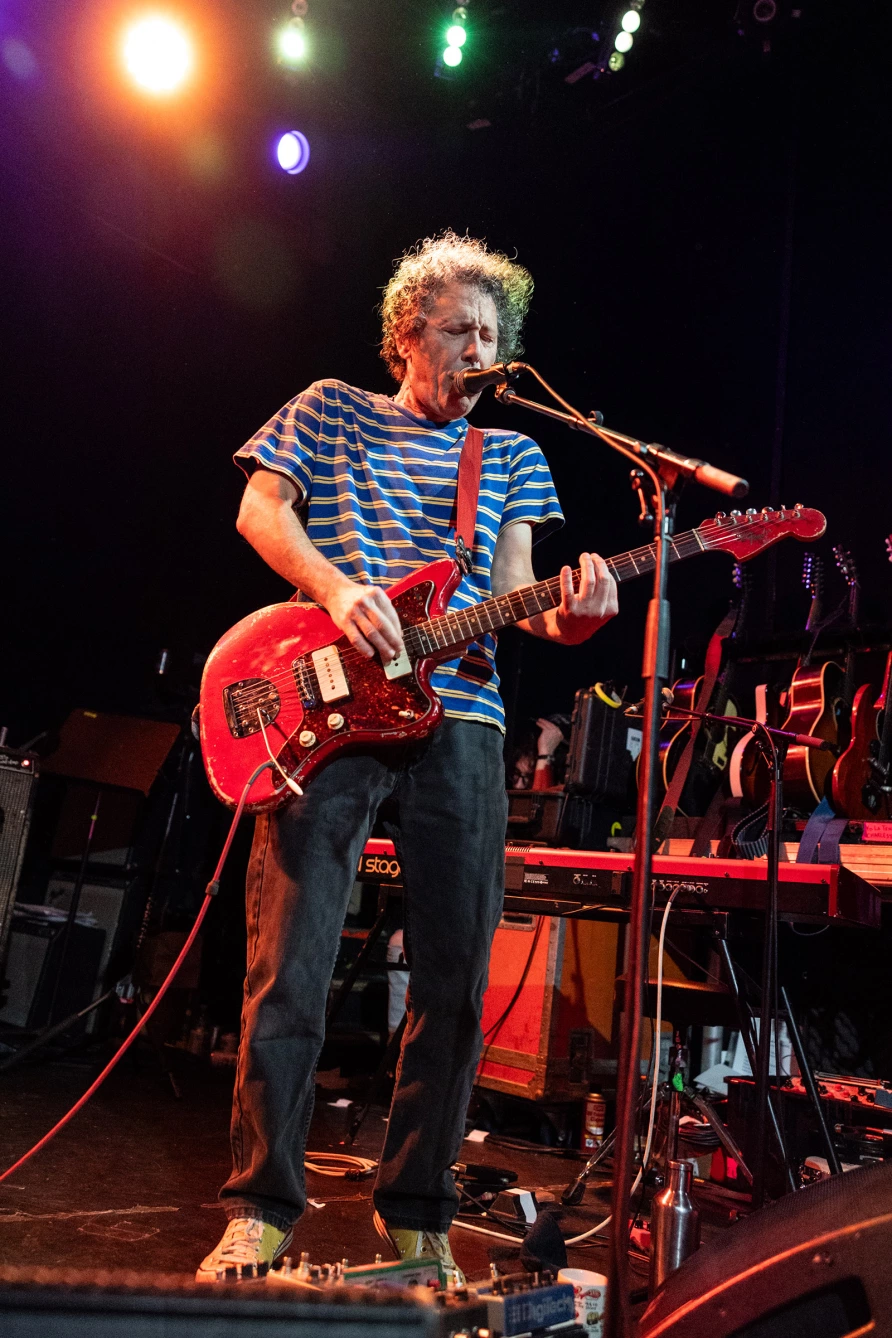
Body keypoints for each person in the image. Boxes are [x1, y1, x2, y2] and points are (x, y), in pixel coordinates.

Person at [197, 231, 618, 1283]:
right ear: (405, 336)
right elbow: (260, 506)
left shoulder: (513, 453)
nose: (477, 348)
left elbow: (519, 598)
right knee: (289, 959)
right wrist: (338, 588)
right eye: (458, 330)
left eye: (492, 333)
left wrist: (575, 616)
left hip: (464, 713)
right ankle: (259, 1208)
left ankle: (420, 1205)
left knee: (457, 974)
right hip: (326, 705)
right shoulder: (330, 407)